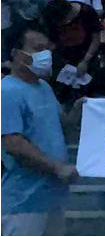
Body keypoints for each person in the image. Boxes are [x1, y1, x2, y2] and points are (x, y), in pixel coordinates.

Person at [1, 25, 81, 236]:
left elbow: (62, 125)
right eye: (38, 49)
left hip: (52, 199)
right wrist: (57, 168)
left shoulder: (44, 87)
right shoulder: (7, 91)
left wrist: (79, 110)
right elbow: (13, 143)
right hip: (23, 202)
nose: (45, 55)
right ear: (17, 54)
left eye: (47, 49)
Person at [42, 0, 101, 77]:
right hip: (63, 55)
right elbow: (52, 40)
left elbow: (96, 38)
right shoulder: (51, 17)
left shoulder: (87, 12)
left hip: (87, 52)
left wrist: (85, 61)